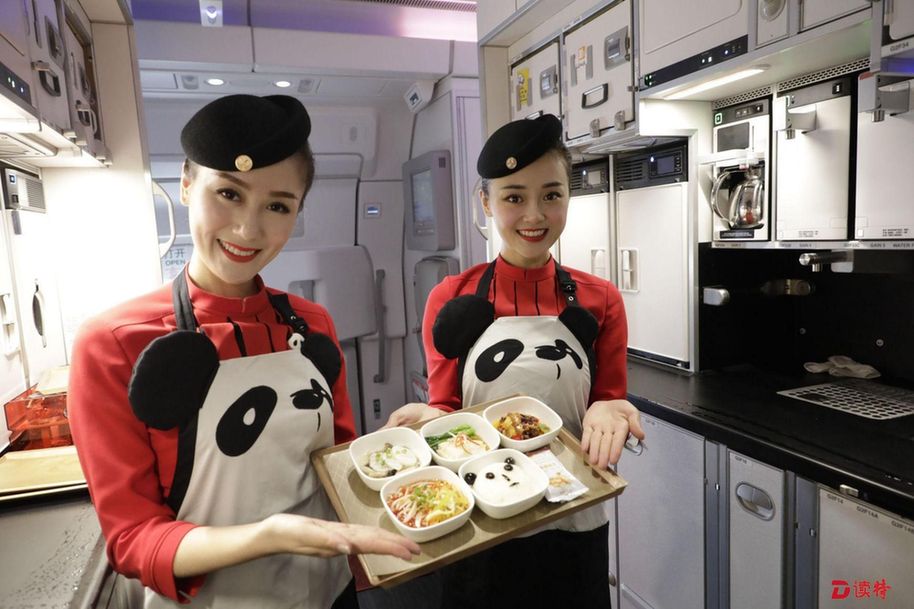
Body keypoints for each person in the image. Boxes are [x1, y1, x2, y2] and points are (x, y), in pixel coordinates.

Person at [68, 94, 420, 609]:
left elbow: (336, 464)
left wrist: (399, 447)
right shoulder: (116, 342)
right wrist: (266, 536)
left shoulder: (311, 323)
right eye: (228, 193)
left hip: (328, 591)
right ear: (186, 184)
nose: (248, 230)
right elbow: (134, 538)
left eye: (277, 205)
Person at [383, 113, 645, 608]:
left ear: (569, 197)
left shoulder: (600, 298)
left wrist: (611, 408)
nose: (534, 215)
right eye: (513, 197)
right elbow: (448, 408)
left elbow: (607, 398)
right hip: (482, 518)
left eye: (551, 195)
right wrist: (430, 418)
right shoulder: (452, 297)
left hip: (572, 511)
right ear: (486, 202)